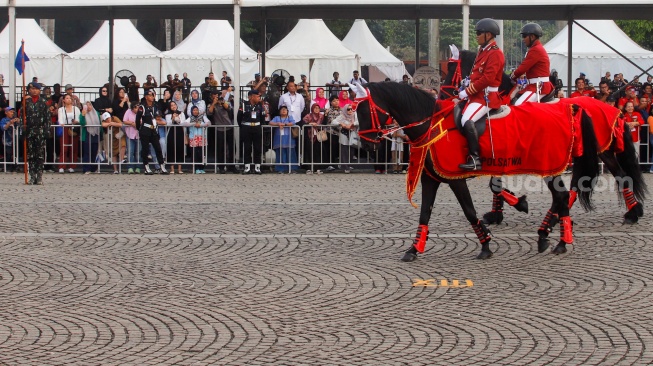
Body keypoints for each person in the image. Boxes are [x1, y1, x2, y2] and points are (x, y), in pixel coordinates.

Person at [455, 18, 505, 171]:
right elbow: (476, 74)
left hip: (486, 97)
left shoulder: (495, 54)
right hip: (476, 95)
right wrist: (465, 83)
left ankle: (475, 158)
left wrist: (467, 91)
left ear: (488, 34)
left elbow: (487, 78)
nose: (476, 36)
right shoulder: (483, 51)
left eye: (478, 33)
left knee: (467, 119)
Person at [510, 23, 554, 105]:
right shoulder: (535, 48)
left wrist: (512, 77)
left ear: (532, 37)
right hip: (534, 85)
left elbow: (522, 68)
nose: (523, 39)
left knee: (518, 105)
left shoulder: (535, 50)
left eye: (524, 36)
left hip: (539, 86)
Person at [135, 89, 169, 175]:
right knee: (145, 150)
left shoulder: (156, 106)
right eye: (150, 95)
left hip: (153, 130)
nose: (152, 97)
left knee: (158, 148)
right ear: (146, 97)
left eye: (153, 95)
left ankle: (162, 166)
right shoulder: (142, 107)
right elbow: (137, 119)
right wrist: (140, 129)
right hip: (145, 130)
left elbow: (159, 116)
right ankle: (146, 167)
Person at [24, 82, 51, 184]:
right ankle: (32, 176)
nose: (34, 90)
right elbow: (23, 116)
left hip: (40, 131)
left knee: (39, 155)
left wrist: (47, 130)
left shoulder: (44, 102)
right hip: (30, 131)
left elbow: (48, 118)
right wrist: (23, 128)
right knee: (31, 155)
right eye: (32, 89)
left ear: (39, 90)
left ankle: (39, 176)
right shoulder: (26, 102)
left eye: (36, 89)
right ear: (30, 90)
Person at [207, 89, 236, 174]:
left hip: (229, 127)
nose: (216, 96)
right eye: (214, 95)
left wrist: (222, 103)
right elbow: (209, 113)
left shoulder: (224, 102)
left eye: (217, 95)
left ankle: (232, 166)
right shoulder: (210, 104)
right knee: (220, 148)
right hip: (219, 128)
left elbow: (229, 109)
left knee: (231, 148)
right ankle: (221, 166)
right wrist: (214, 103)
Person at [237, 90, 266, 174]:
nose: (258, 98)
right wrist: (243, 127)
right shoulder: (243, 105)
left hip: (256, 127)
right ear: (251, 96)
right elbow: (239, 117)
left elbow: (262, 118)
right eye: (257, 96)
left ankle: (257, 167)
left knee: (257, 147)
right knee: (247, 147)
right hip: (246, 128)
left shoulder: (260, 106)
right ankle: (247, 167)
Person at [269, 105, 298, 173]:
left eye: (285, 109)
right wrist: (278, 124)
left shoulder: (289, 117)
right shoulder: (277, 118)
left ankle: (292, 168)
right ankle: (280, 169)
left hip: (289, 138)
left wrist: (285, 124)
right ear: (279, 112)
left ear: (287, 111)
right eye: (282, 109)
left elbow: (293, 123)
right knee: (280, 153)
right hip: (279, 138)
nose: (284, 110)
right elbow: (270, 122)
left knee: (291, 153)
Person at [331, 104, 359, 174]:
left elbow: (359, 121)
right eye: (348, 109)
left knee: (351, 151)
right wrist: (341, 124)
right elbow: (333, 122)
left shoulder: (355, 115)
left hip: (352, 135)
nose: (350, 110)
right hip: (344, 134)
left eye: (351, 109)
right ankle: (345, 167)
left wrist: (352, 124)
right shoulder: (342, 116)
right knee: (344, 151)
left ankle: (349, 165)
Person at [57, 94, 81, 173]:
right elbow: (60, 119)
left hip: (74, 128)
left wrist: (76, 122)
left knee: (74, 147)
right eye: (67, 98)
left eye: (70, 98)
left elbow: (79, 118)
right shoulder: (61, 109)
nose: (69, 99)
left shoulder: (76, 109)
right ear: (63, 100)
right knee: (64, 148)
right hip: (65, 128)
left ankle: (72, 166)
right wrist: (62, 123)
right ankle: (62, 166)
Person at [302, 103, 326, 174]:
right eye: (315, 108)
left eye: (318, 108)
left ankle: (317, 168)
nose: (316, 109)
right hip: (309, 136)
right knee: (309, 152)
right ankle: (308, 168)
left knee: (317, 152)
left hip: (318, 136)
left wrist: (318, 125)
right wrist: (310, 124)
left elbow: (324, 123)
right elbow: (303, 123)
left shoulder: (321, 116)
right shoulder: (308, 116)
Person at [79, 102, 102, 174]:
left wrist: (100, 135)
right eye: (87, 105)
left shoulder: (97, 113)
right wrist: (83, 115)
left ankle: (93, 168)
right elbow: (82, 123)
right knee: (87, 152)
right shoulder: (82, 114)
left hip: (95, 134)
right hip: (87, 135)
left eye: (90, 105)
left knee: (94, 152)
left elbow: (99, 123)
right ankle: (86, 169)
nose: (89, 106)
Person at [165, 101, 186, 174]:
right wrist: (173, 118)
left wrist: (178, 119)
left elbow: (183, 122)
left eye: (174, 105)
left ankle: (180, 168)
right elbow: (168, 123)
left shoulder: (181, 113)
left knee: (180, 148)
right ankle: (172, 168)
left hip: (180, 131)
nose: (173, 106)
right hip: (171, 132)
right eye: (171, 105)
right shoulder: (168, 115)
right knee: (171, 148)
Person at [186, 105, 209, 174]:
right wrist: (193, 124)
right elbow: (184, 123)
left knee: (202, 154)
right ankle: (196, 168)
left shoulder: (203, 117)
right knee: (195, 154)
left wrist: (201, 125)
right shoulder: (190, 118)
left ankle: (201, 168)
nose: (195, 111)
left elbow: (209, 123)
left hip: (202, 138)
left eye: (196, 110)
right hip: (193, 138)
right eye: (194, 110)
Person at [123, 103, 140, 174]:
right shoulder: (128, 111)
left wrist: (138, 123)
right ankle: (130, 167)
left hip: (139, 135)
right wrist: (132, 123)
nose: (137, 109)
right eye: (135, 108)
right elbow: (124, 120)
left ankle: (138, 167)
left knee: (138, 152)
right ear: (132, 109)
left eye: (138, 108)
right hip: (130, 134)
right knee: (130, 151)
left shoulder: (141, 112)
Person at [0, 107, 19, 172]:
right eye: (10, 111)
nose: (12, 113)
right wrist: (10, 123)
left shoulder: (14, 119)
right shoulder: (3, 120)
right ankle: (7, 167)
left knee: (16, 153)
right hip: (7, 141)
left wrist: (18, 121)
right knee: (8, 153)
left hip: (15, 140)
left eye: (13, 112)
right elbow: (3, 128)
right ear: (6, 112)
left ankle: (15, 167)